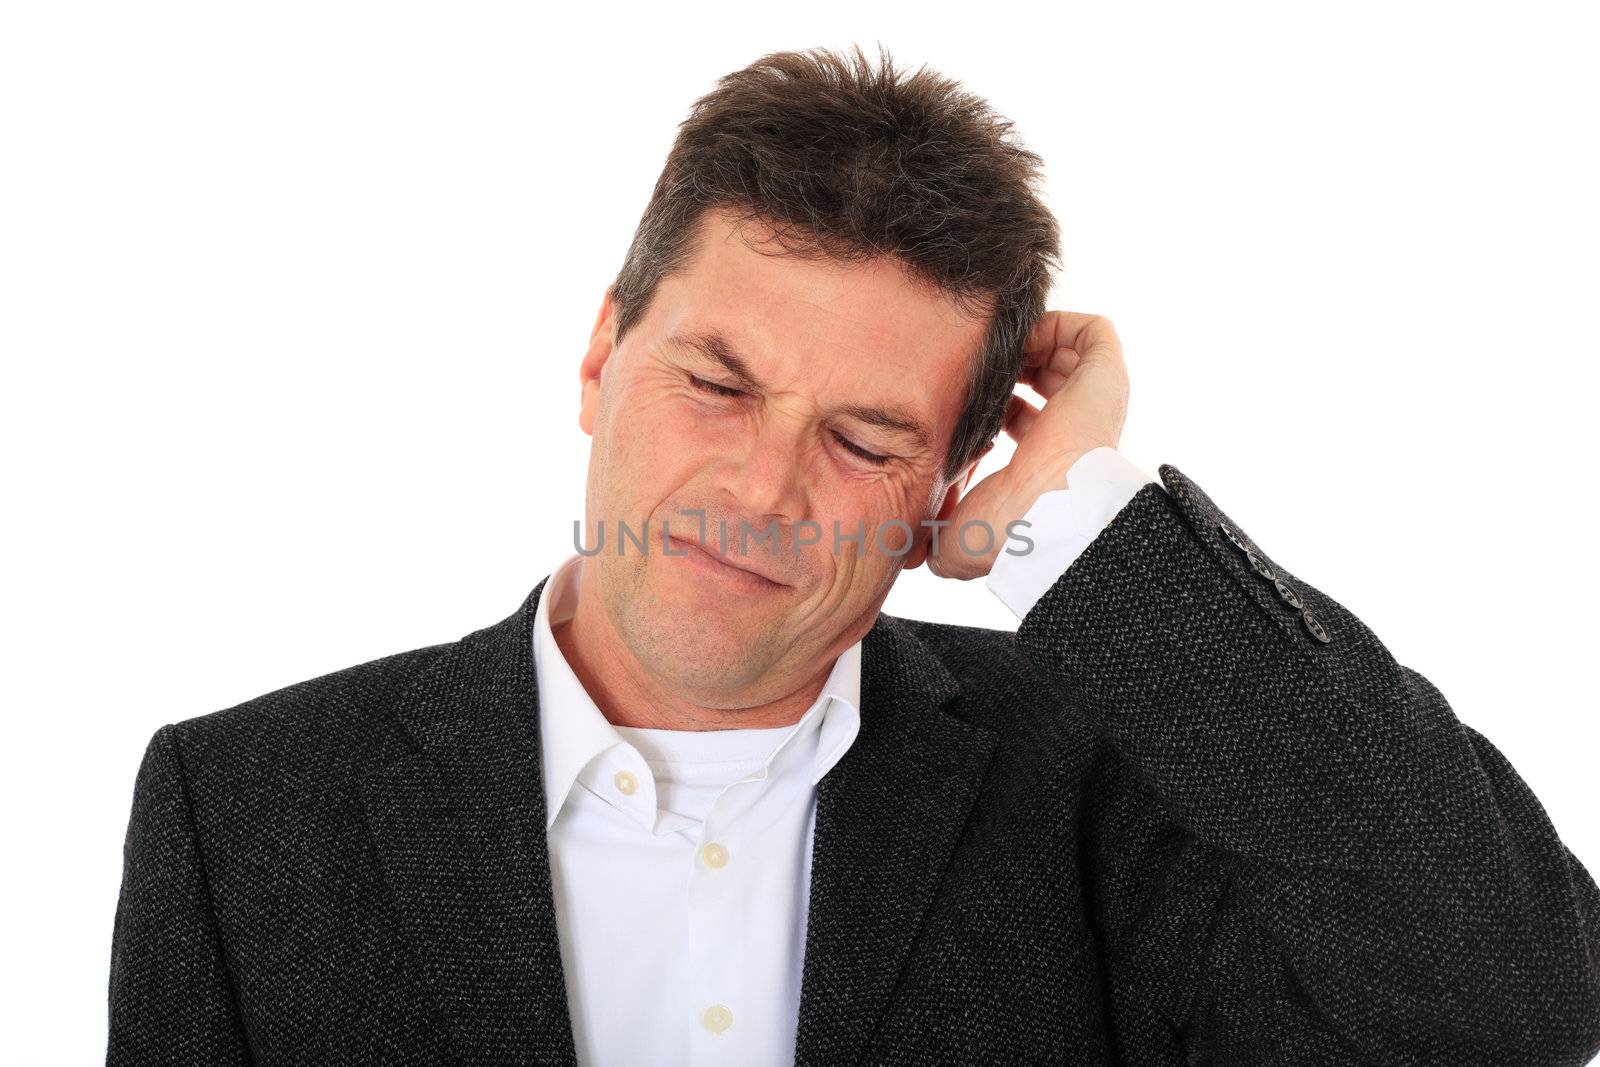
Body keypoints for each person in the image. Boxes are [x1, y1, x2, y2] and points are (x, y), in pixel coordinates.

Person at [107, 43, 1600, 1066]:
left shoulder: (1099, 784)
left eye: (868, 441)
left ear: (948, 479)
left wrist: (1085, 517)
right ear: (597, 355)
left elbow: (1516, 996)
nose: (763, 488)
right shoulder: (242, 817)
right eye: (717, 382)